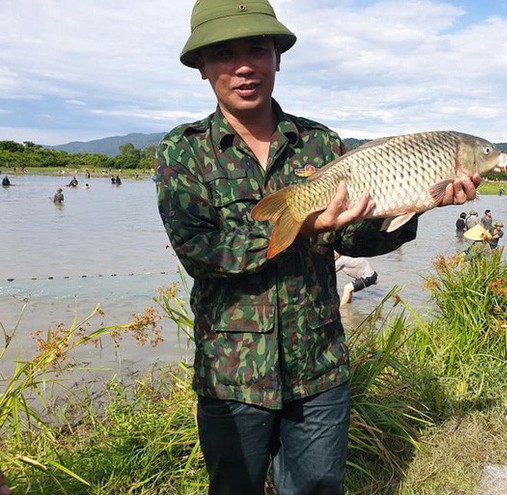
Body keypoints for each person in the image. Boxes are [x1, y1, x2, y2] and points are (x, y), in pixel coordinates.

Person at [154, 1, 481, 494]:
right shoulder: (183, 150)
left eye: (258, 50)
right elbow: (197, 252)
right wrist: (295, 229)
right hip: (231, 375)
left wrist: (423, 203)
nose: (245, 66)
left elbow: (354, 237)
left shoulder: (321, 144)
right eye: (225, 53)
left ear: (278, 58)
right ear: (202, 67)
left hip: (319, 369)